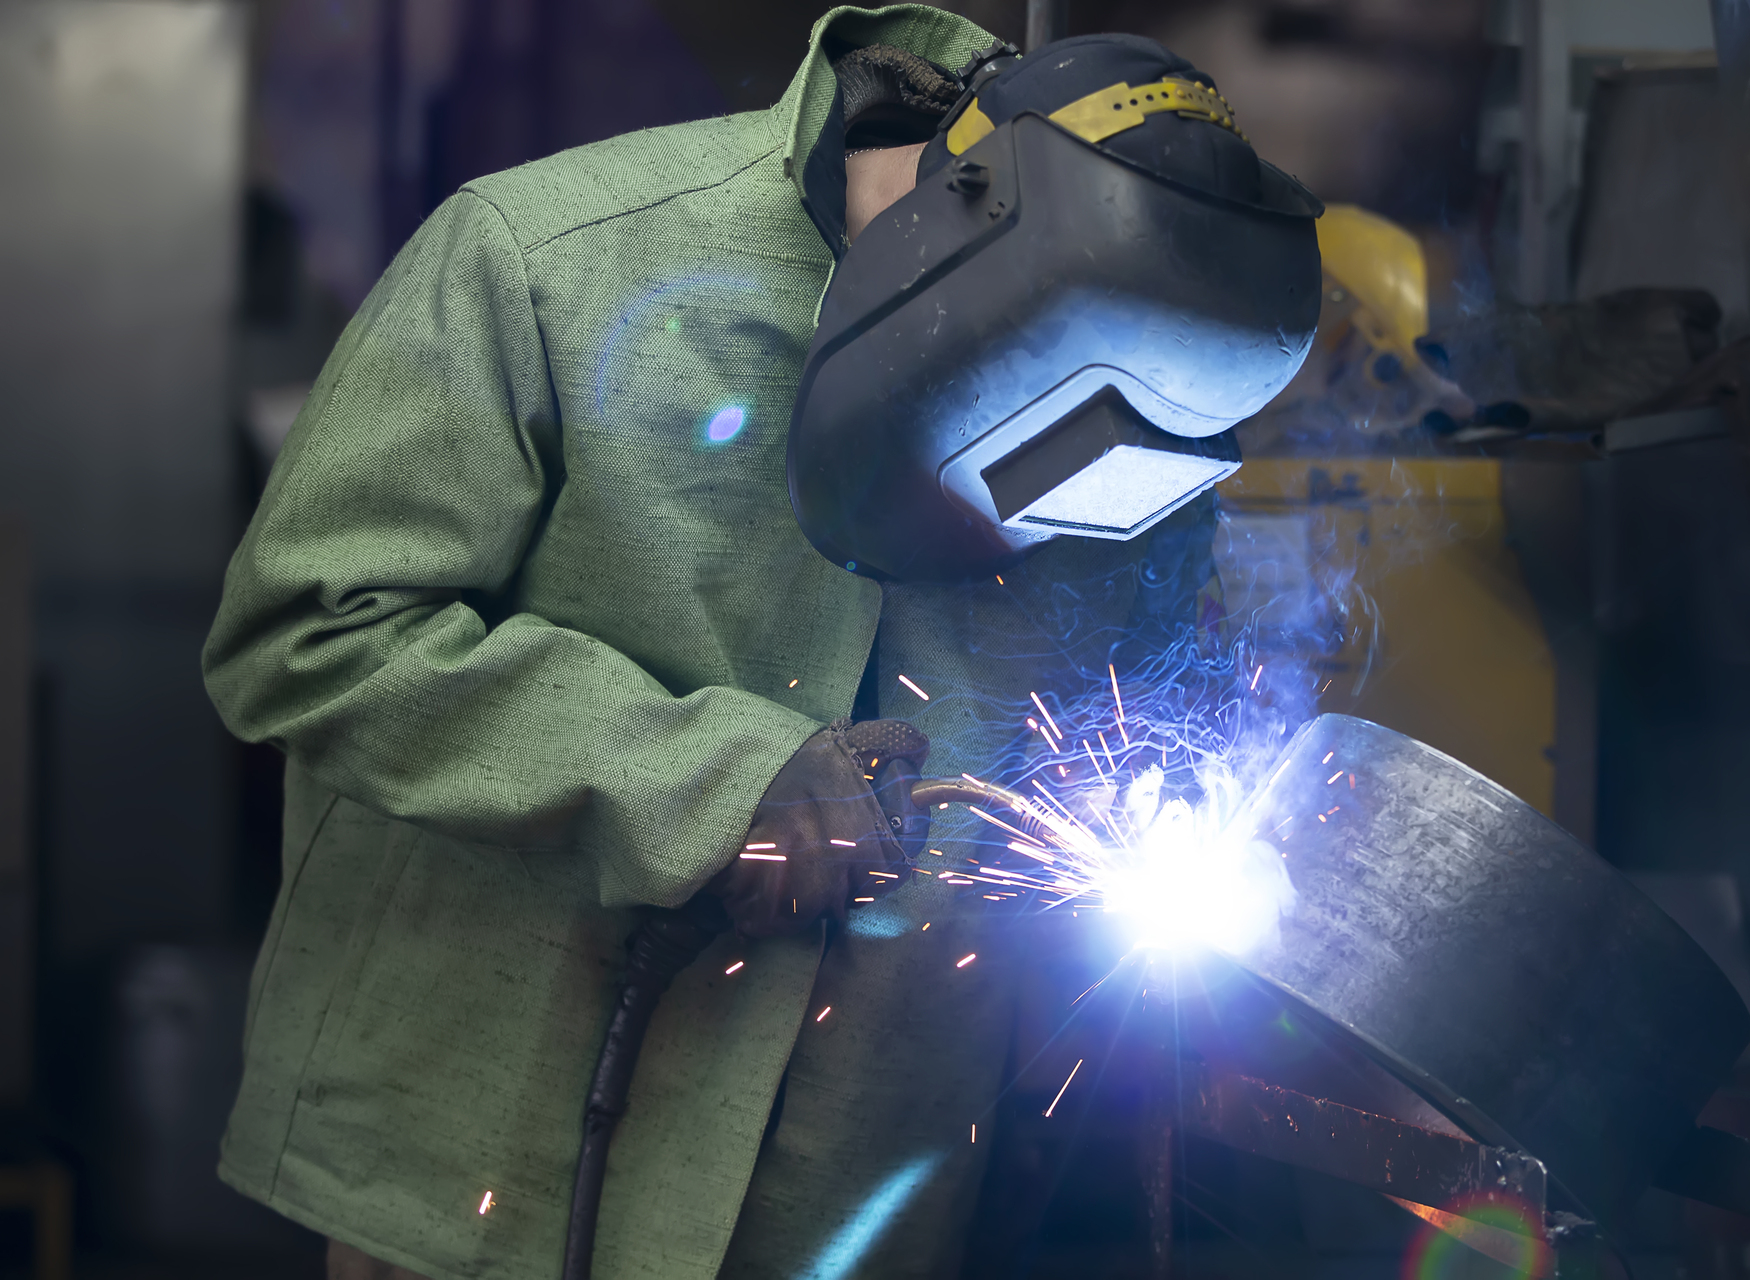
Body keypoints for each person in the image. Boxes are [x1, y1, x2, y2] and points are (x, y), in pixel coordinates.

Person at [202, 7, 1316, 1277]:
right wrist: (707, 786)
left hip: (858, 1200)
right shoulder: (546, 261)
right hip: (491, 1171)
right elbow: (311, 628)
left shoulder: (1151, 362)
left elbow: (1143, 710)